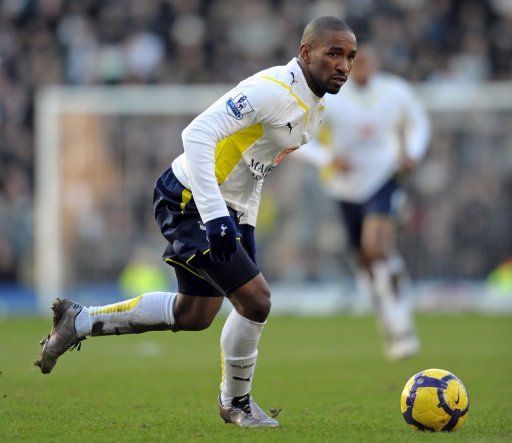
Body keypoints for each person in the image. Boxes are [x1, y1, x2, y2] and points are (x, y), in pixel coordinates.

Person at [34, 16, 358, 427]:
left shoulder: (316, 109)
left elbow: (254, 166)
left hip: (229, 209)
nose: (344, 66)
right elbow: (197, 134)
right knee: (256, 301)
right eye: (334, 53)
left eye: (350, 56)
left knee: (195, 315)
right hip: (188, 196)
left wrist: (243, 223)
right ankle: (236, 405)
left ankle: (78, 321)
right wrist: (215, 215)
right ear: (306, 52)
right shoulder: (271, 91)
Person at [299, 44, 431, 360]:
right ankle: (391, 318)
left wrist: (412, 153)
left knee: (377, 248)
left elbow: (418, 123)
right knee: (366, 264)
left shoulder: (394, 91)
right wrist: (328, 158)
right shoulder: (329, 97)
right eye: (354, 61)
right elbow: (299, 139)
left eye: (365, 60)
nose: (359, 66)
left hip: (383, 179)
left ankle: (401, 324)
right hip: (345, 189)